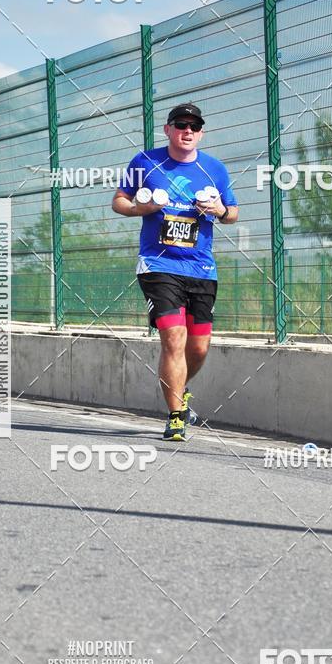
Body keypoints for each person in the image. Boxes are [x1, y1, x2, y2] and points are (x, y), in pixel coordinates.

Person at [112, 103, 238, 441]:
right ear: (168, 129)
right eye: (181, 125)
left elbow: (233, 214)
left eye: (194, 126)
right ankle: (176, 416)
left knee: (198, 348)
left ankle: (180, 390)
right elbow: (119, 201)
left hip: (201, 267)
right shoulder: (145, 162)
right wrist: (142, 208)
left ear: (201, 133)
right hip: (158, 265)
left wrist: (219, 209)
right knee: (173, 337)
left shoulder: (215, 169)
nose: (187, 131)